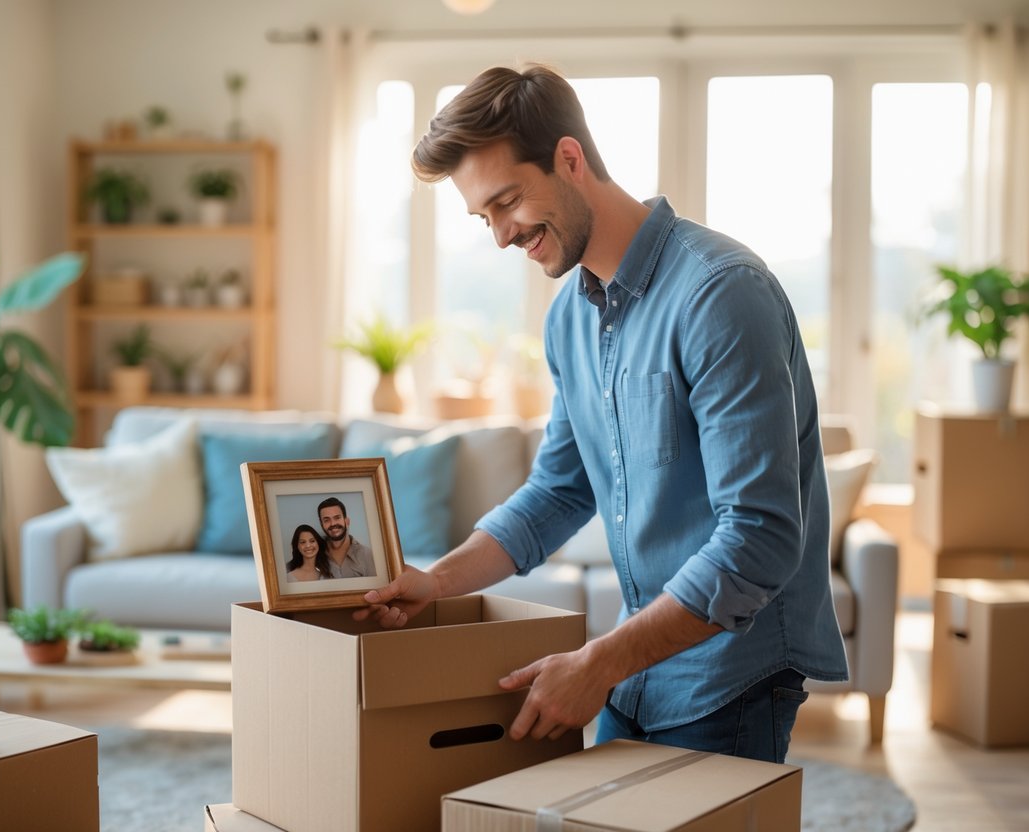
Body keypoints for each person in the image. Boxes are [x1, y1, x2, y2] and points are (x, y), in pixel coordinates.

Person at [358, 64, 847, 765]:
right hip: (635, 673)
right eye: (482, 217)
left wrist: (597, 663)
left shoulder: (719, 294)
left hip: (728, 679)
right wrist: (434, 582)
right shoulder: (568, 320)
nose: (500, 235)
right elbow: (559, 491)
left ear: (568, 158)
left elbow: (761, 538)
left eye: (507, 201)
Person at [317, 497, 376, 578]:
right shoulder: (315, 555)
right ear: (322, 525)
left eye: (337, 518)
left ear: (347, 521)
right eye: (326, 520)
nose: (333, 523)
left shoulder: (367, 555)